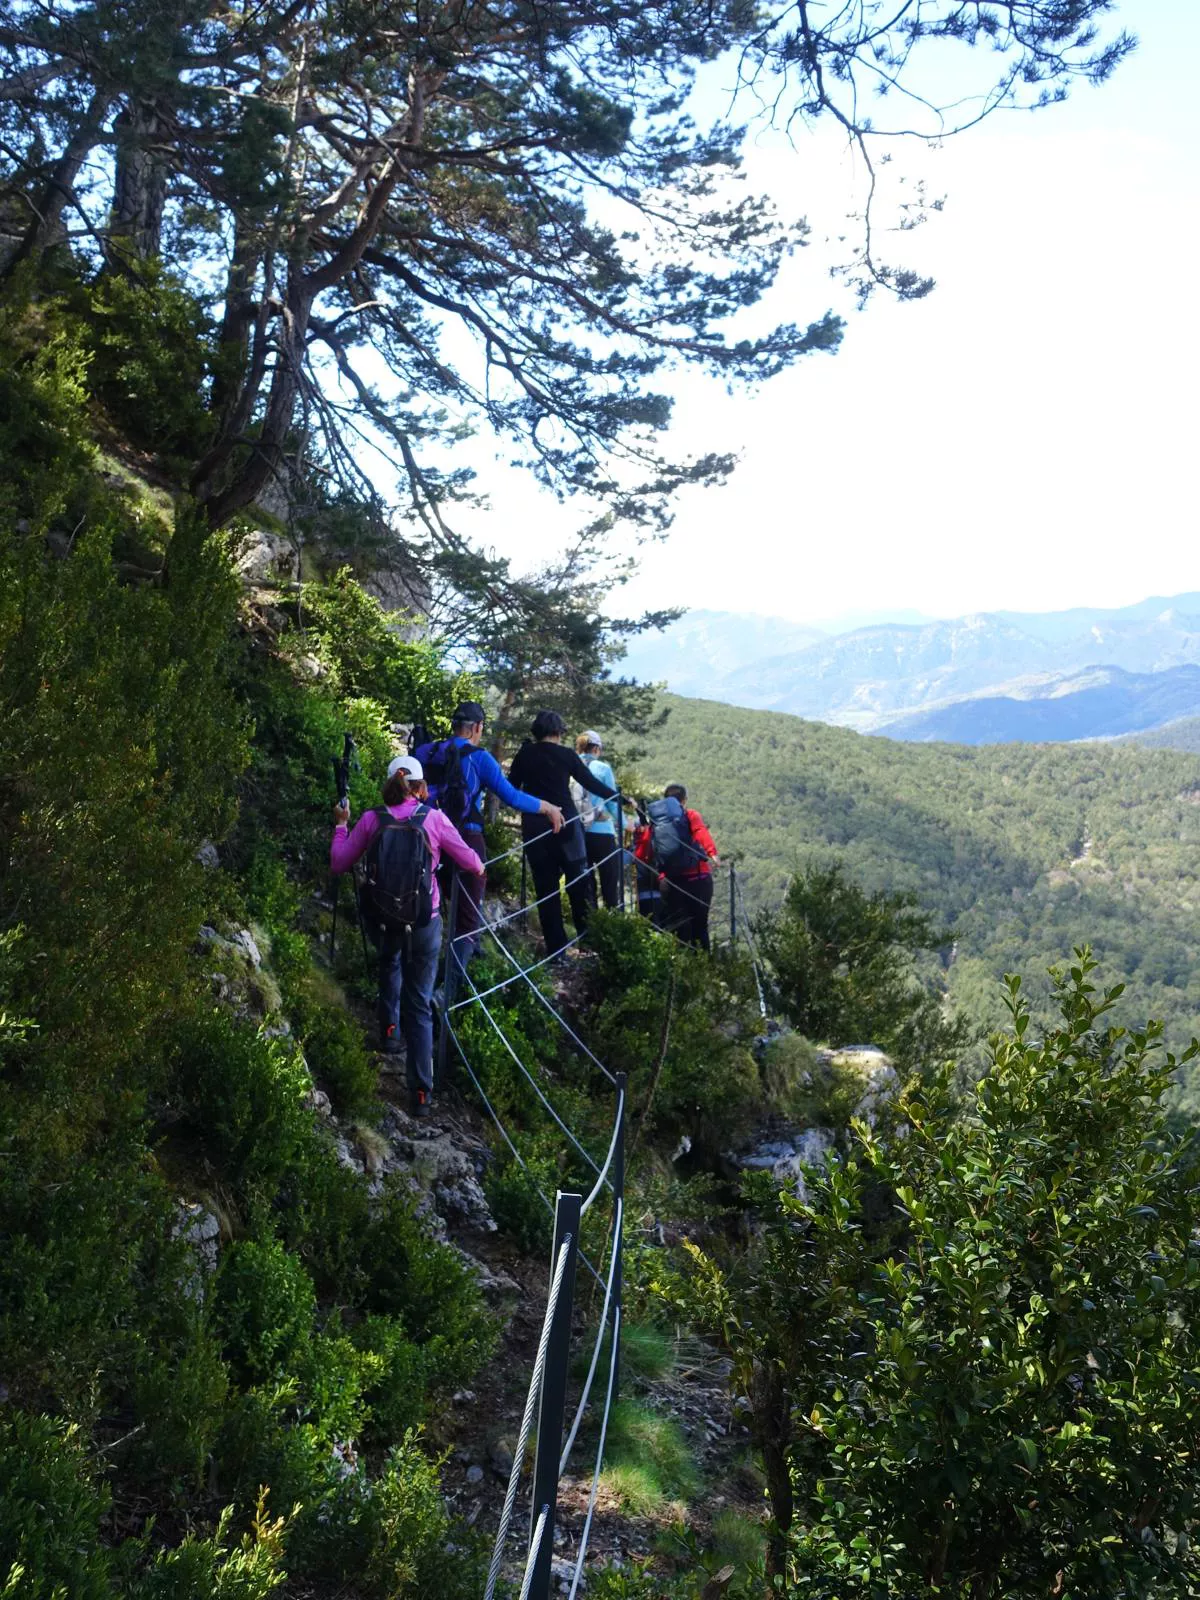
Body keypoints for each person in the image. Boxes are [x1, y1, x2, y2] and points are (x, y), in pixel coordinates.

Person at [331, 755, 484, 1117]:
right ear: (420, 787)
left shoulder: (371, 819)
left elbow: (339, 863)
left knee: (389, 963)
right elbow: (471, 862)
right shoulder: (433, 819)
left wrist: (340, 826)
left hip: (385, 919)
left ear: (389, 783)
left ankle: (387, 1032)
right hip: (424, 922)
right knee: (419, 1004)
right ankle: (419, 1093)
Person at [414, 701, 563, 958]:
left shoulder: (426, 752)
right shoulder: (480, 758)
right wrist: (548, 807)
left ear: (454, 725)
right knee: (468, 917)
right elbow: (513, 797)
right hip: (466, 838)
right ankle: (450, 988)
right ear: (477, 728)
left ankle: (432, 964)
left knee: (432, 903)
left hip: (425, 839)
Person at [508, 710, 619, 958]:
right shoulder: (567, 755)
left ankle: (556, 950)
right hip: (568, 825)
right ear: (559, 732)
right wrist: (617, 796)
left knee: (546, 888)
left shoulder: (525, 753)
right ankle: (588, 941)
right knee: (579, 884)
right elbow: (589, 782)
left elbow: (511, 788)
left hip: (535, 825)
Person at [635, 782, 719, 951]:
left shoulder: (656, 823)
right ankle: (705, 970)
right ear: (684, 800)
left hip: (672, 883)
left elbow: (643, 854)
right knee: (700, 927)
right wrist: (713, 854)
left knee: (680, 929)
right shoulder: (690, 815)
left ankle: (680, 971)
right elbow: (700, 831)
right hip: (699, 877)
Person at [572, 730, 624, 910]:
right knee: (609, 881)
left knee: (587, 882)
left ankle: (590, 921)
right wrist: (625, 824)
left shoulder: (571, 767)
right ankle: (612, 922)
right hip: (602, 832)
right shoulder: (602, 768)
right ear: (596, 749)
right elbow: (611, 801)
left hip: (578, 833)